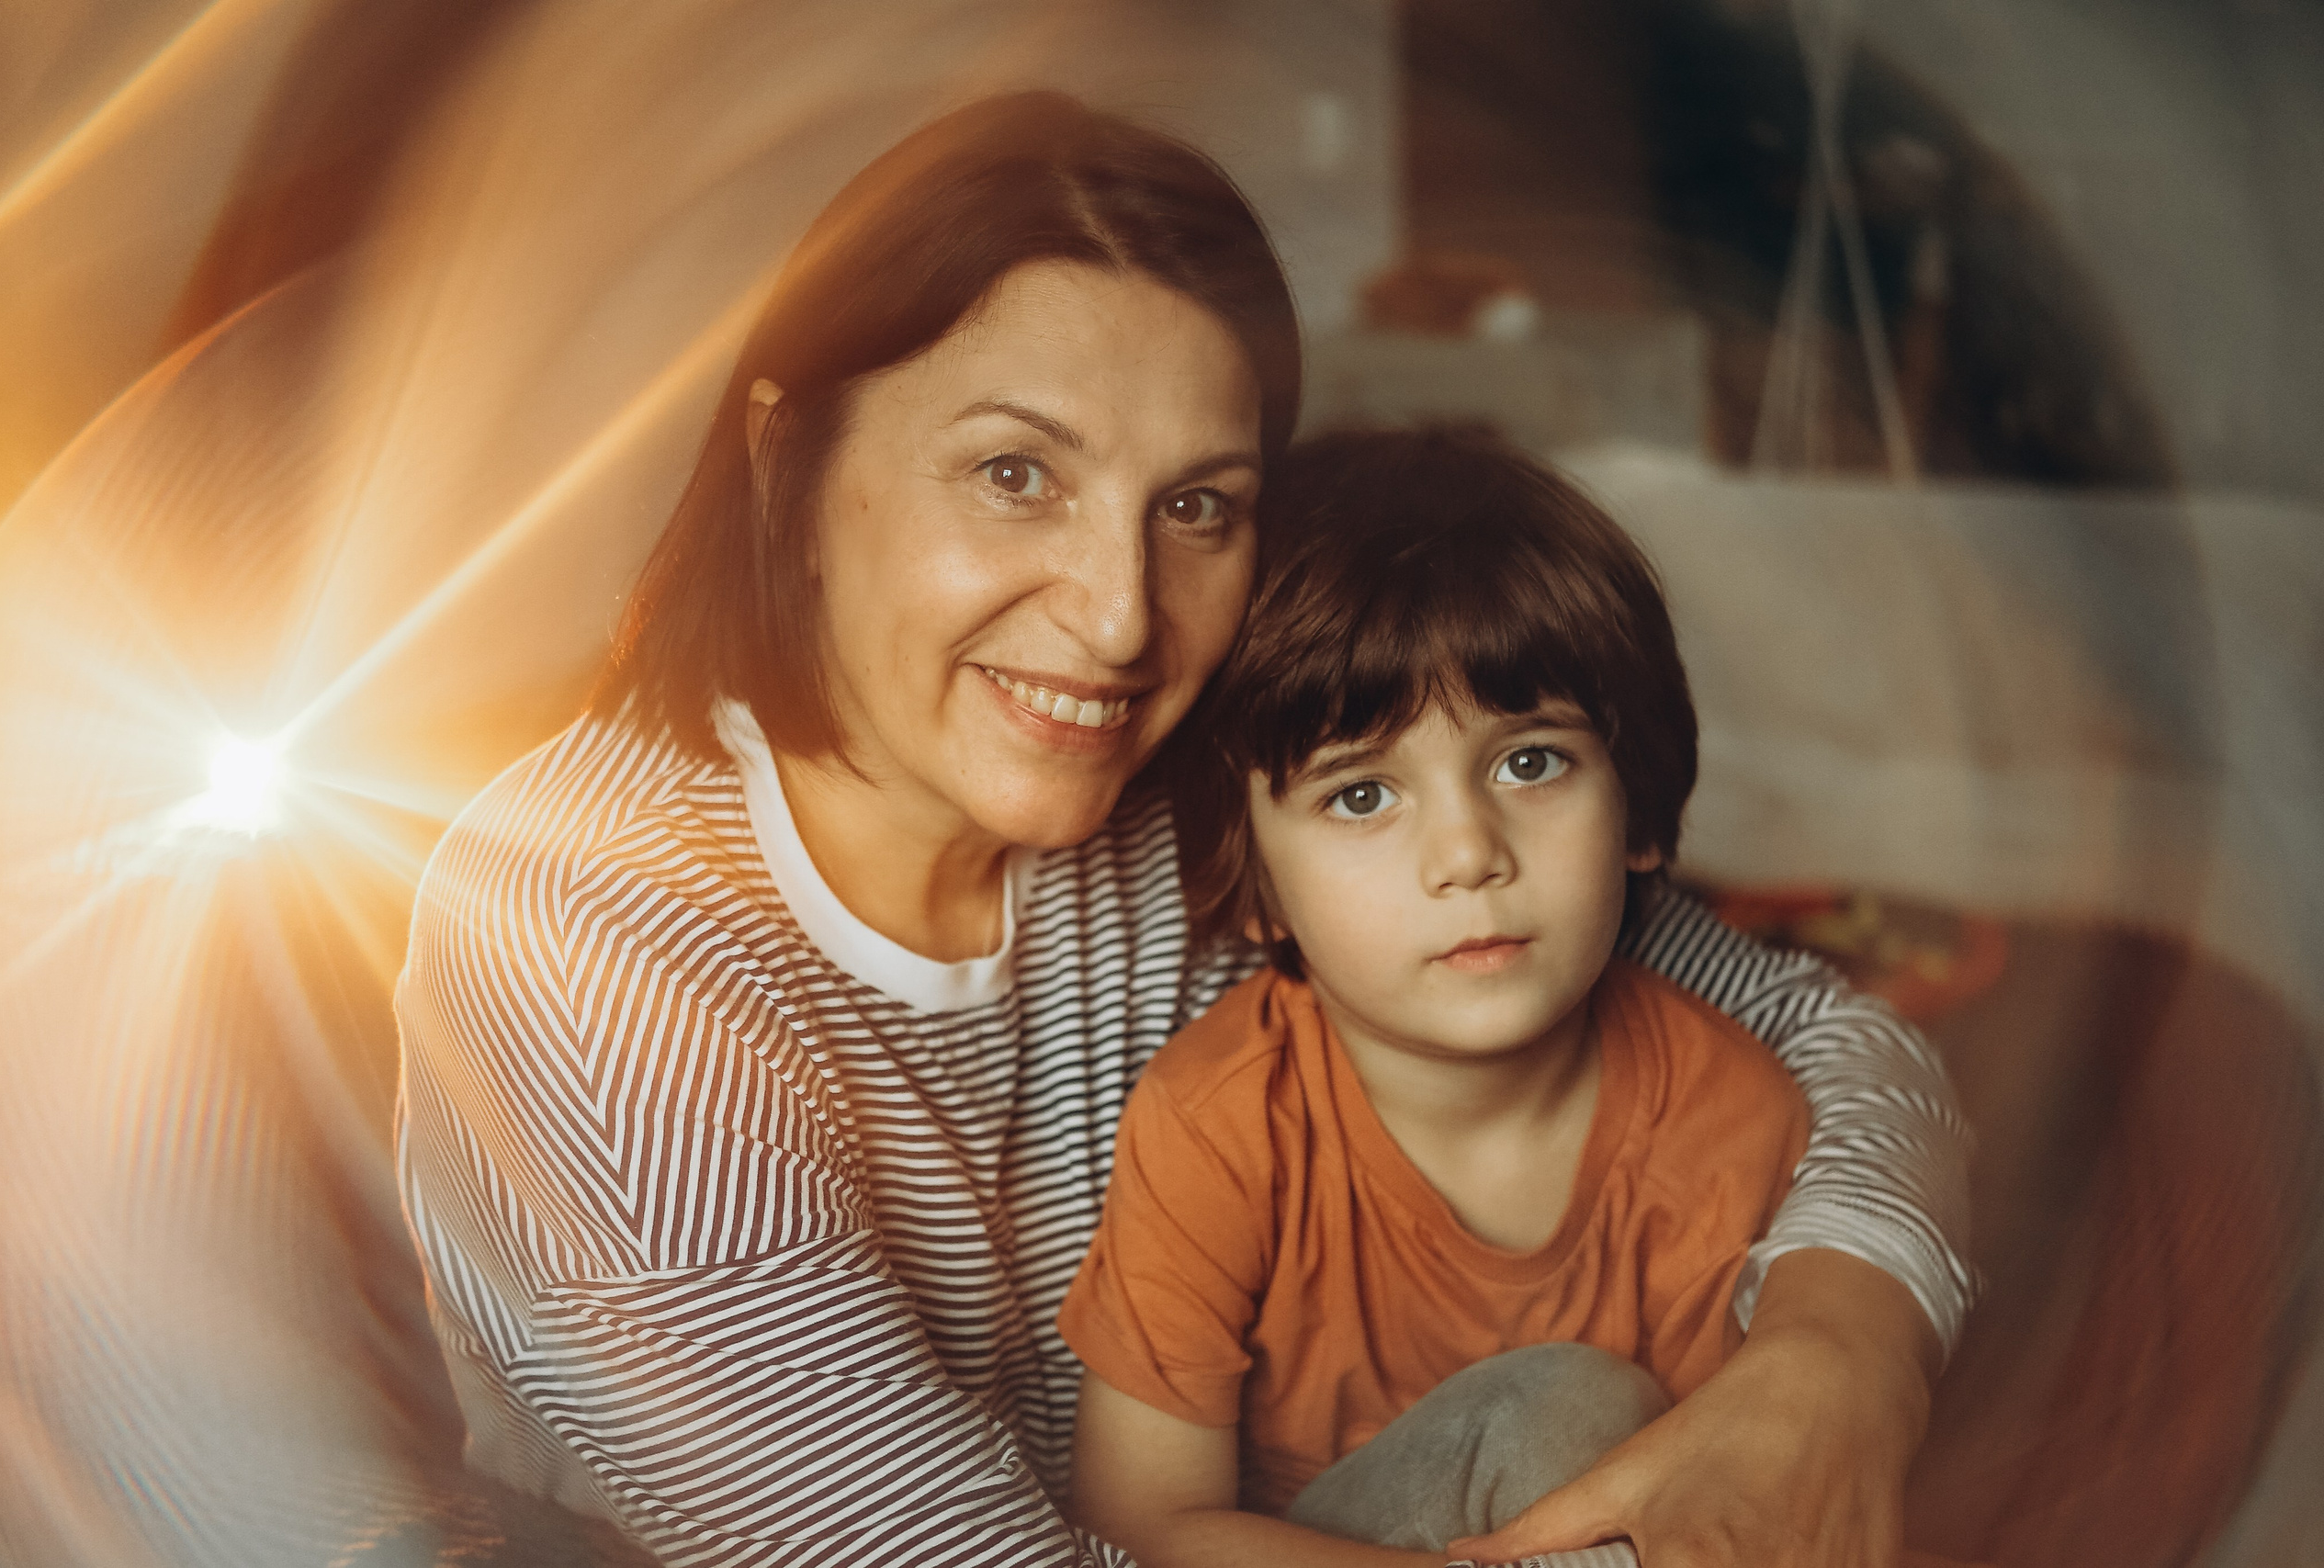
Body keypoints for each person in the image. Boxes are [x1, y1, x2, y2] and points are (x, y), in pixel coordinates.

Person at [393, 93, 1972, 1568]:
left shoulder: (1194, 787)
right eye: (1015, 473)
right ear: (783, 464)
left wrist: (1843, 1353)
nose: (1118, 616)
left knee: (1584, 1420)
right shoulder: (584, 940)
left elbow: (1814, 1025)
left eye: (1199, 505)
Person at [1059, 424, 1805, 1566]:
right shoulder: (1219, 1121)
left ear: (1641, 813)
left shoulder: (1728, 1117)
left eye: (1529, 762)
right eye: (1361, 796)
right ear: (1255, 885)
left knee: (1612, 1441)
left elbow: (1709, 1509)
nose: (1467, 853)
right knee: (1573, 1410)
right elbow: (1142, 1526)